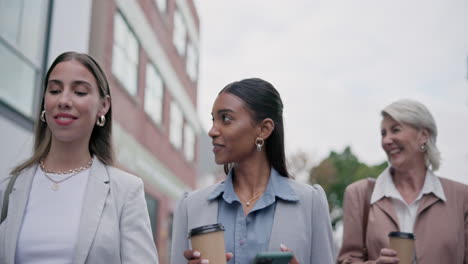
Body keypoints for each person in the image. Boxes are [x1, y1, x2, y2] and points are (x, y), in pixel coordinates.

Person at [0, 51, 159, 263]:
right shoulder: (10, 188)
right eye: (55, 90)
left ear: (103, 106)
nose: (64, 100)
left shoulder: (126, 191)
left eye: (80, 92)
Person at [171, 78, 335, 264]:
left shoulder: (310, 203)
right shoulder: (190, 206)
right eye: (213, 119)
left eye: (225, 118)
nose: (212, 131)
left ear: (263, 129)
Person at [338, 99, 468, 264]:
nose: (386, 140)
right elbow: (346, 260)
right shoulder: (359, 194)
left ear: (423, 136)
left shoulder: (462, 198)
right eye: (383, 133)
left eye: (395, 130)